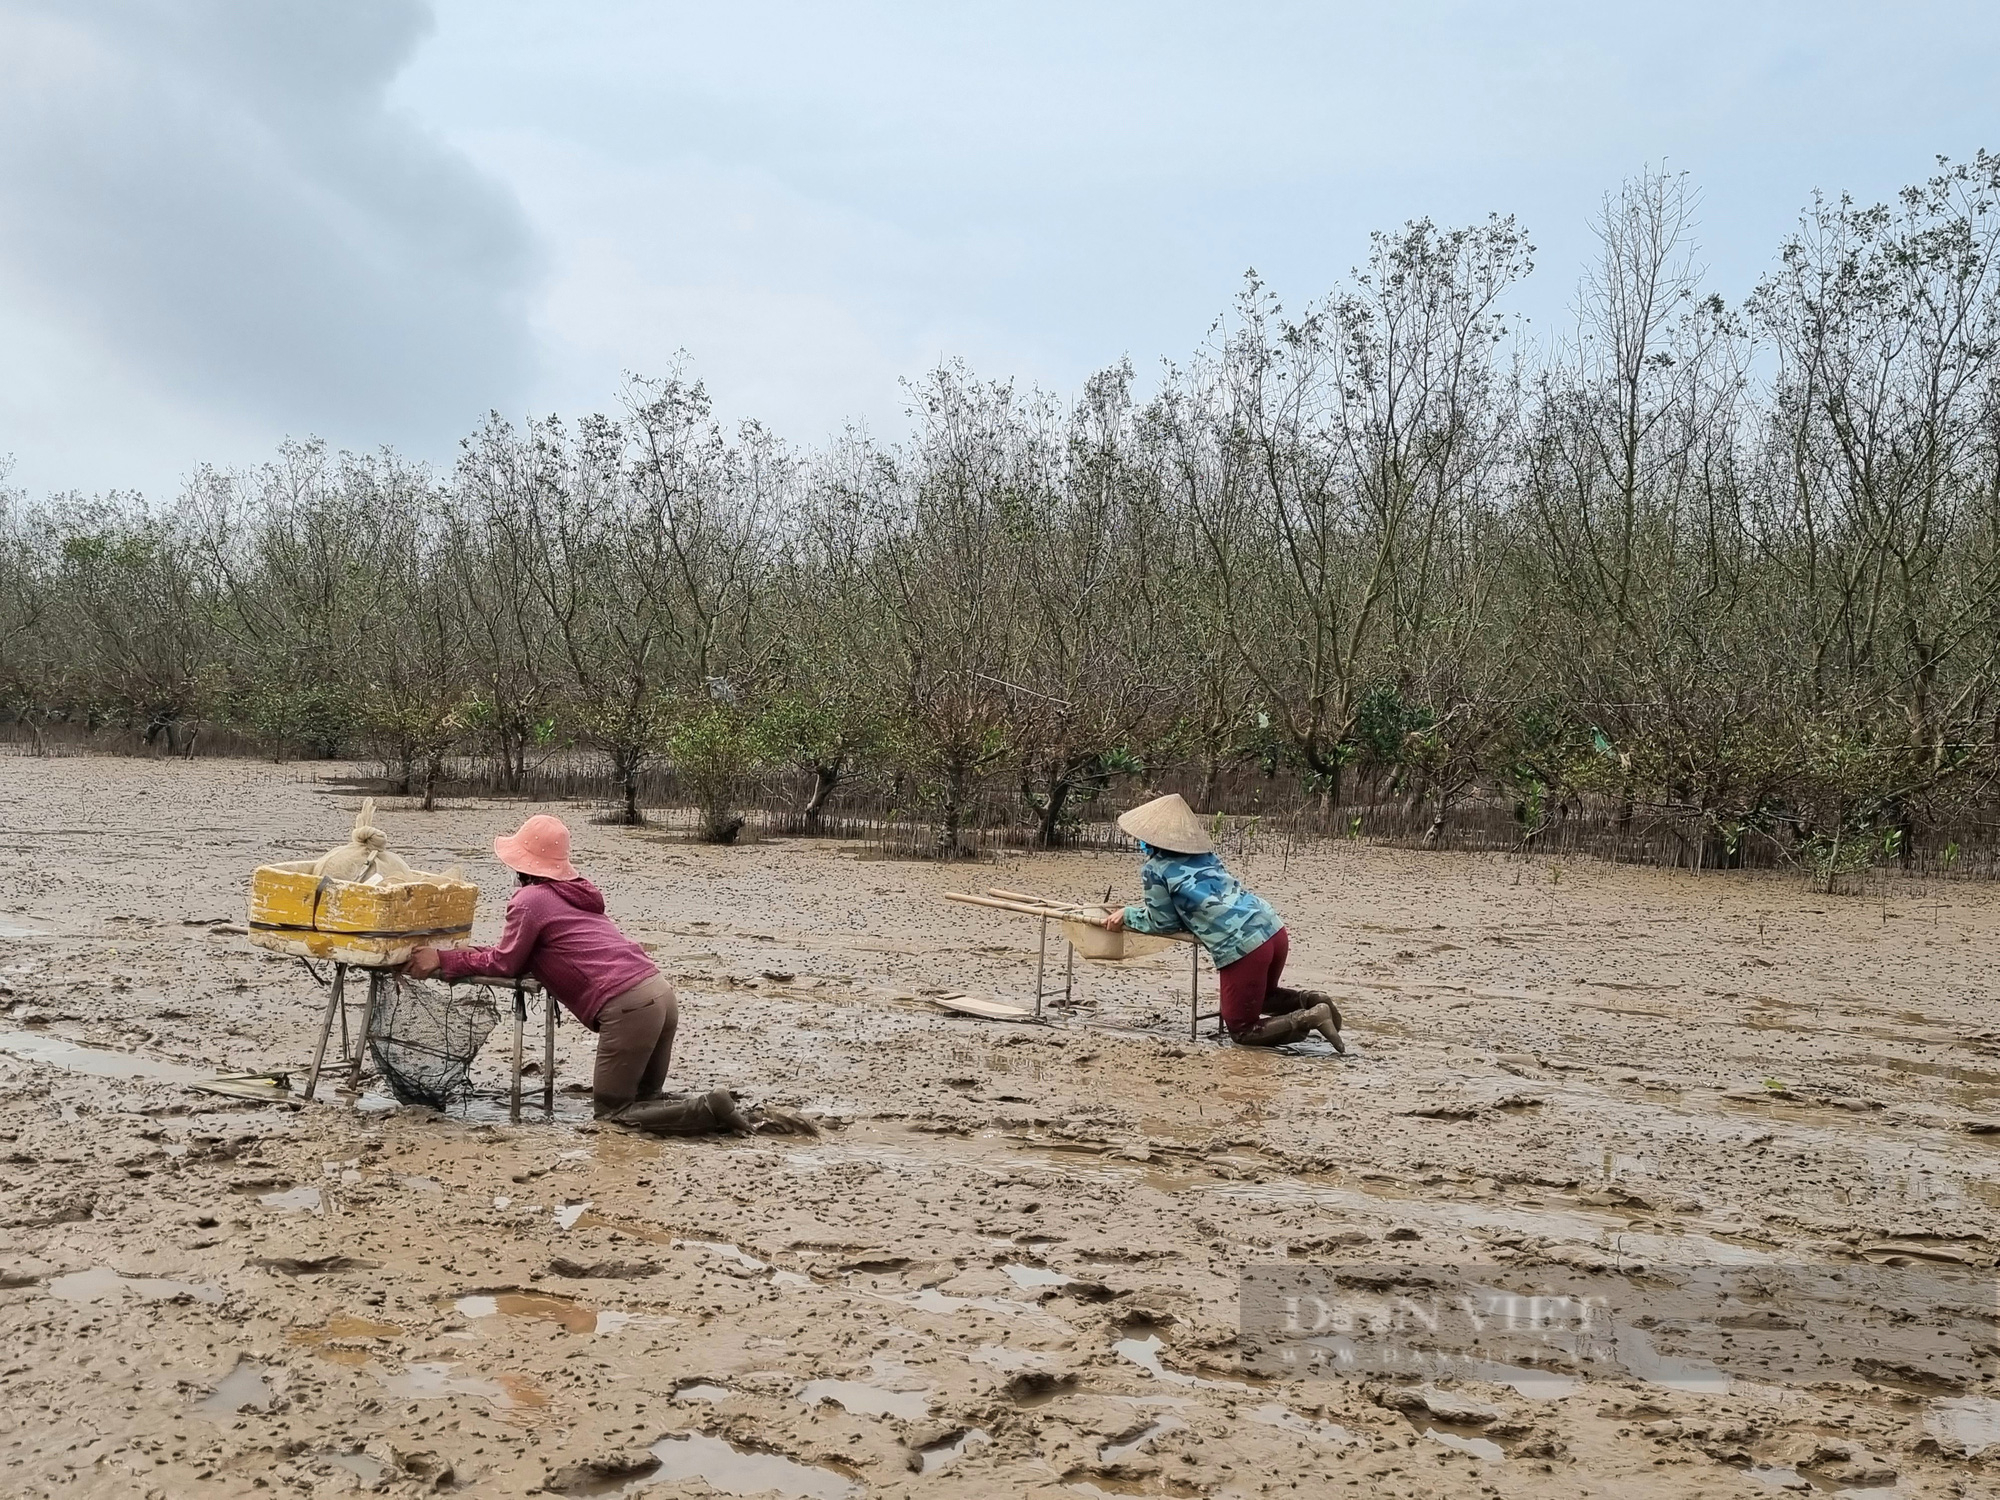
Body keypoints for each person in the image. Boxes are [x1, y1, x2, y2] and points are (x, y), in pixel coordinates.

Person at [402, 814, 743, 1133]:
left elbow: (504, 964)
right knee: (646, 1100)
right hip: (659, 995)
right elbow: (515, 955)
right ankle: (725, 1112)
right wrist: (463, 955)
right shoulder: (574, 892)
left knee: (612, 1114)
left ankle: (708, 1109)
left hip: (629, 1009)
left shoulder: (529, 900)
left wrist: (443, 960)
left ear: (522, 864)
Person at [1103, 793, 1344, 1051]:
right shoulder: (1206, 856)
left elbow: (1163, 923)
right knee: (1259, 997)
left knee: (1242, 1029)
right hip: (1272, 927)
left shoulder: (1155, 869)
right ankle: (1314, 1000)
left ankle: (1309, 1017)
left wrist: (1128, 914)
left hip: (1244, 946)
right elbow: (1203, 900)